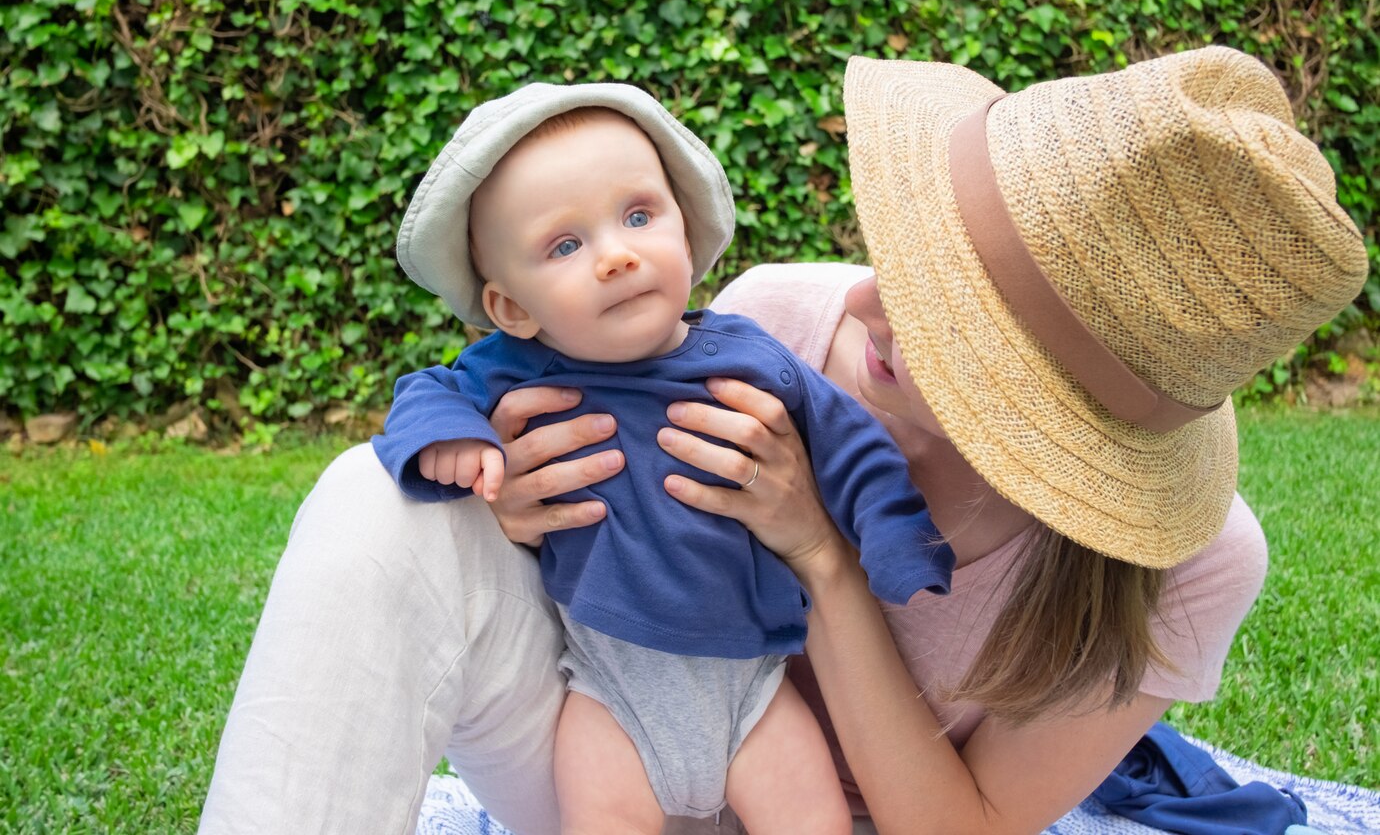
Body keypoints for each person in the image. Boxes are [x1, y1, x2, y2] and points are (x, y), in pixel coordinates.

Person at [199, 46, 1368, 835]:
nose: (865, 306)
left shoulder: (1194, 561)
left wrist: (822, 554)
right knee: (375, 497)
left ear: (1066, 414)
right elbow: (582, 489)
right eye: (910, 262)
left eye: (944, 328)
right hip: (606, 741)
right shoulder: (787, 312)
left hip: (811, 799)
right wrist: (504, 504)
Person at [369, 82, 951, 834]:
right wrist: (454, 440)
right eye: (565, 246)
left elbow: (851, 446)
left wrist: (899, 540)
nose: (616, 256)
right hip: (611, 693)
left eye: (639, 216)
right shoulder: (517, 368)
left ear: (685, 234)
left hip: (755, 693)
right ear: (512, 308)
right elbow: (425, 392)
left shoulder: (748, 360)